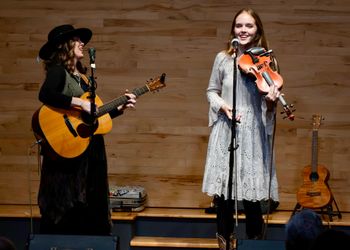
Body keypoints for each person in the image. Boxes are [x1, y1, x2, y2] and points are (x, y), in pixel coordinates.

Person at [36, 24, 136, 235]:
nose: (82, 43)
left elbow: (91, 117)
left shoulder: (82, 77)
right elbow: (46, 95)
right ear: (64, 46)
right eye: (76, 40)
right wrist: (79, 103)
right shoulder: (57, 71)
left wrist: (118, 109)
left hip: (89, 152)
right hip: (68, 156)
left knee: (91, 203)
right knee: (69, 205)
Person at [202, 7, 281, 249]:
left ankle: (254, 244)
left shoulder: (268, 60)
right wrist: (223, 107)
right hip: (227, 127)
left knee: (253, 196)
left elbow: (269, 106)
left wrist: (271, 101)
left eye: (249, 26)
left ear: (257, 30)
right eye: (239, 26)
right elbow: (211, 91)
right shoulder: (223, 59)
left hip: (252, 130)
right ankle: (224, 244)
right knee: (224, 195)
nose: (243, 30)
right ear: (233, 29)